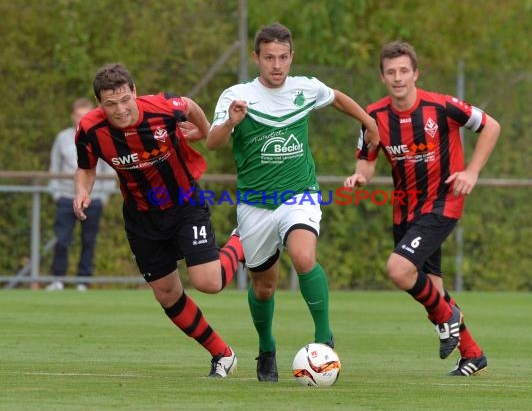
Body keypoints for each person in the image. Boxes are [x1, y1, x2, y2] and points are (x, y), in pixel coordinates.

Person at [205, 22, 380, 382]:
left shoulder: (306, 88)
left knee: (303, 256)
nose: (277, 65)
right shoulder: (237, 96)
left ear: (291, 57)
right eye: (269, 57)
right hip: (255, 204)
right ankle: (266, 348)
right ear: (256, 58)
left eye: (283, 57)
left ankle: (323, 338)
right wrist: (231, 123)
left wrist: (367, 121)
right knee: (264, 285)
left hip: (299, 194)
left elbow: (337, 98)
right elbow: (212, 142)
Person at [73, 63, 244, 378]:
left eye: (125, 99)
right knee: (167, 293)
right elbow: (86, 166)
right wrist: (83, 191)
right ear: (100, 104)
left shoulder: (162, 108)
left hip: (184, 204)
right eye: (110, 104)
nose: (120, 109)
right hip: (141, 218)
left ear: (134, 92)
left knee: (209, 282)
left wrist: (204, 130)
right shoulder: (90, 129)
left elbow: (190, 106)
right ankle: (222, 353)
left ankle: (241, 239)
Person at [344, 41, 501, 376]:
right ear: (382, 77)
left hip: (442, 203)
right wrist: (359, 177)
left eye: (404, 70)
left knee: (399, 269)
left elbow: (492, 126)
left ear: (415, 73)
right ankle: (472, 353)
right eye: (391, 72)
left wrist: (471, 171)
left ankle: (448, 318)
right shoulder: (373, 117)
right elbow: (366, 162)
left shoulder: (441, 107)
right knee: (433, 289)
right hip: (405, 210)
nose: (398, 77)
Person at [46, 98, 116, 291]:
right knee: (62, 240)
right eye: (78, 116)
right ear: (72, 116)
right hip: (66, 198)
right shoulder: (62, 138)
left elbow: (110, 168)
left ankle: (82, 281)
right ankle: (57, 280)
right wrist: (56, 194)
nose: (82, 119)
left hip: (93, 198)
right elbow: (54, 167)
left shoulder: (101, 135)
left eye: (86, 115)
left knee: (88, 241)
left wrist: (104, 196)